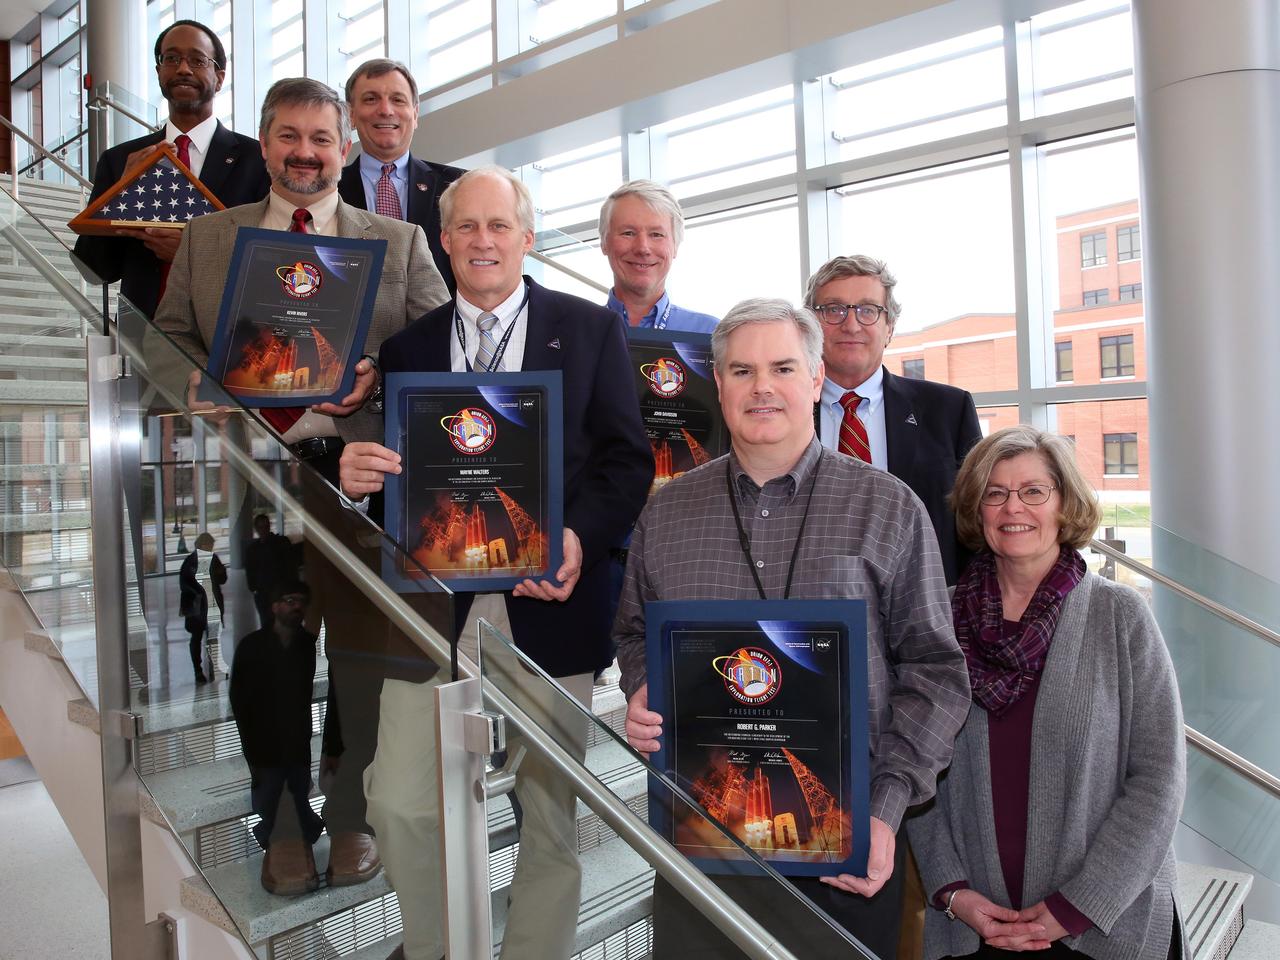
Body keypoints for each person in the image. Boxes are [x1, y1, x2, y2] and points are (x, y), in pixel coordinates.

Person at [337, 165, 653, 960]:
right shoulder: (406, 347)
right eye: (467, 227)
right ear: (442, 241)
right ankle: (444, 948)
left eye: (499, 226)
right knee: (401, 802)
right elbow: (402, 486)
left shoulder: (588, 329)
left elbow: (626, 462)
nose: (483, 241)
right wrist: (356, 479)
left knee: (551, 820)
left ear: (526, 237)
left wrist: (578, 535)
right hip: (435, 611)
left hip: (552, 600)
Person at [154, 76, 450, 896]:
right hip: (256, 483)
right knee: (272, 662)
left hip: (357, 484)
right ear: (265, 142)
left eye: (322, 139)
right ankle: (283, 822)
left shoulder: (399, 240)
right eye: (289, 136)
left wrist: (377, 377)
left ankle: (352, 815)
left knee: (358, 663)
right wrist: (191, 383)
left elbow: (441, 352)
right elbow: (169, 335)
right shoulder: (210, 239)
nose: (306, 154)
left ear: (345, 147)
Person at [614, 298, 970, 959]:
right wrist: (641, 688)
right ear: (716, 386)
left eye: (781, 367)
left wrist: (885, 812)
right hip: (704, 842)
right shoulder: (667, 516)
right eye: (741, 371)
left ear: (815, 378)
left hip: (845, 846)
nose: (762, 388)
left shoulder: (887, 507)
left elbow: (936, 675)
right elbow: (635, 634)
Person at [909, 425, 1186, 960]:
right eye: (996, 493)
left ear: (1065, 504)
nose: (1015, 507)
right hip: (975, 927)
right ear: (977, 508)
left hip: (1101, 928)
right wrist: (951, 890)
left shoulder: (1120, 616)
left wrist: (1077, 906)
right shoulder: (938, 620)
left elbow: (1159, 779)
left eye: (1034, 491)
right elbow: (914, 768)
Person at [73, 20, 270, 319]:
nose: (183, 69)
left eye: (197, 60)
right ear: (159, 72)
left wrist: (194, 253)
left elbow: (270, 259)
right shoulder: (119, 160)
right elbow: (95, 269)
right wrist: (122, 193)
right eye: (172, 59)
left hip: (227, 333)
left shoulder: (259, 159)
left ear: (219, 78)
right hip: (143, 337)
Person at [806, 254, 981, 586]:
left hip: (926, 610)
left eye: (868, 310)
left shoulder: (949, 410)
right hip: (811, 611)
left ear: (890, 328)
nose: (851, 324)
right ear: (810, 326)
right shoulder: (781, 414)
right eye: (833, 309)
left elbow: (977, 525)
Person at [229, 580, 325, 895]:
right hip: (263, 740)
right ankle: (277, 841)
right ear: (273, 607)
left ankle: (300, 838)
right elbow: (240, 701)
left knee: (297, 789)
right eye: (288, 599)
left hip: (295, 738)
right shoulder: (251, 646)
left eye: (300, 600)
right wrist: (251, 746)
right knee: (270, 791)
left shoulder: (306, 645)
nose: (295, 606)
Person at [338, 58, 466, 296]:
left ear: (415, 114)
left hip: (438, 327)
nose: (386, 110)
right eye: (371, 99)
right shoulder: (328, 191)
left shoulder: (458, 186)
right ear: (351, 115)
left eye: (397, 100)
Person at [600, 179, 718, 333]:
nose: (643, 248)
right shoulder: (573, 333)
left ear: (675, 245)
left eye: (656, 234)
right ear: (604, 243)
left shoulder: (711, 335)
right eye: (628, 233)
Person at [178, 531, 225, 683]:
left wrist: (220, 573)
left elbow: (222, 579)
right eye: (210, 544)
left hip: (209, 605)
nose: (211, 547)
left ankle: (212, 669)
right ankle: (198, 670)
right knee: (198, 638)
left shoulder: (212, 559)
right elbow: (185, 584)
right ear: (202, 545)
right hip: (197, 607)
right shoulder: (191, 562)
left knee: (211, 638)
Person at [244, 513, 298, 628]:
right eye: (261, 527)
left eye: (265, 527)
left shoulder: (254, 549)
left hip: (273, 591)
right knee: (277, 622)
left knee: (273, 622)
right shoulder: (280, 543)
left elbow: (250, 571)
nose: (263, 530)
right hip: (269, 591)